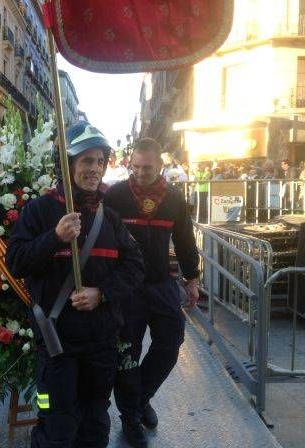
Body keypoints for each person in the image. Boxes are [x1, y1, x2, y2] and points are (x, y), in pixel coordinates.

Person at [6, 122, 144, 448]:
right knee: (57, 427)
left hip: (101, 341)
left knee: (95, 425)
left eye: (99, 161)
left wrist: (103, 293)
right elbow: (16, 262)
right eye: (85, 161)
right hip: (58, 344)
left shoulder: (109, 218)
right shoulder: (40, 210)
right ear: (67, 165)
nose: (94, 169)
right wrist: (53, 238)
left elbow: (134, 265)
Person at [105, 138, 200, 448]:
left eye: (148, 167)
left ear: (161, 165)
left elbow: (185, 239)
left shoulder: (174, 198)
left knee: (171, 343)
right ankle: (130, 416)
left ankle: (141, 398)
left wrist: (192, 277)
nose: (141, 173)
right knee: (127, 353)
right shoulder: (116, 195)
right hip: (127, 287)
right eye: (137, 167)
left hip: (161, 283)